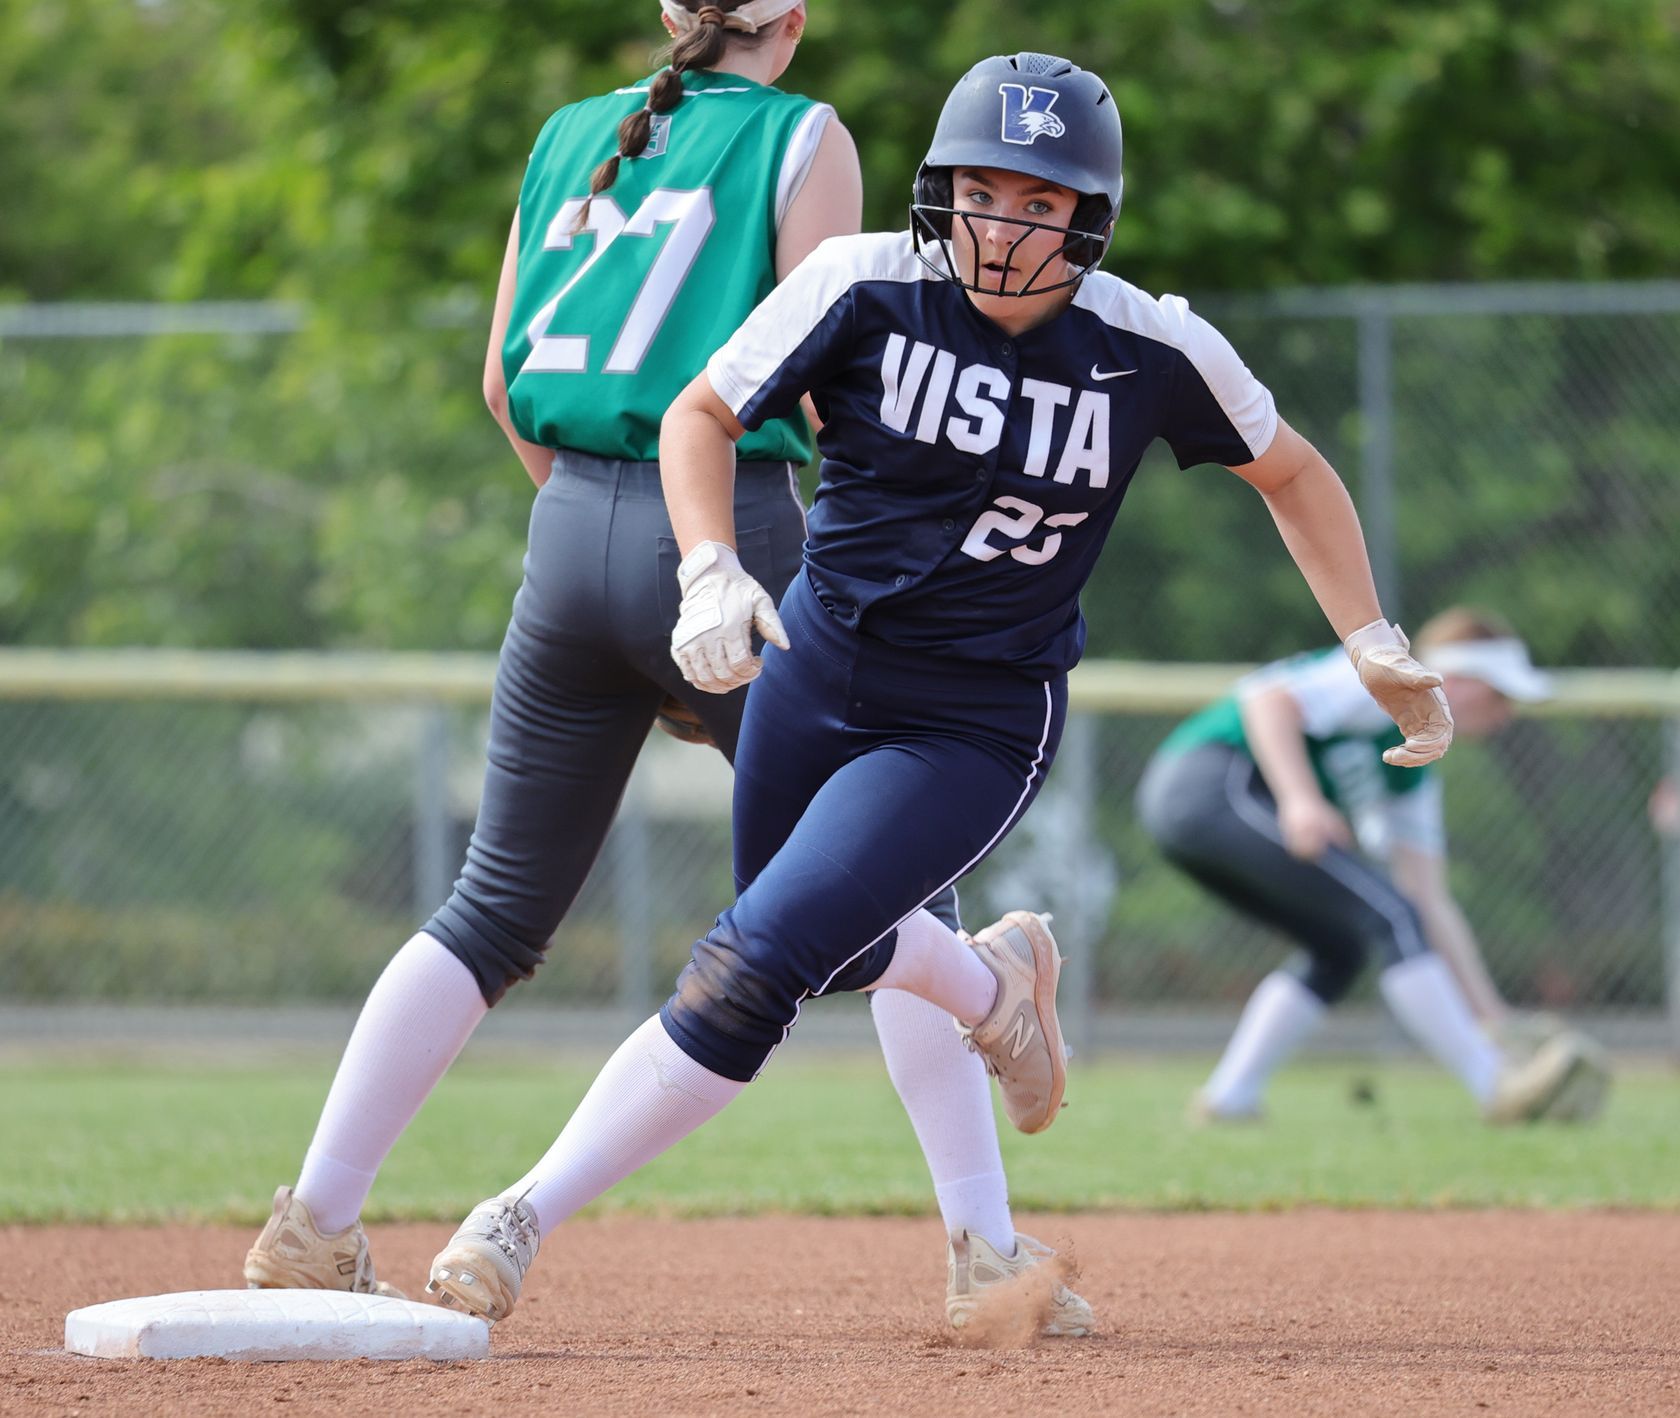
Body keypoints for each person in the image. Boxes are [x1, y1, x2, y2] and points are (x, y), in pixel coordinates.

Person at [422, 49, 1457, 1328]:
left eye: (1039, 200)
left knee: (753, 965)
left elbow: (1293, 472)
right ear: (938, 187)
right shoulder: (863, 284)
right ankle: (991, 1033)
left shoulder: (1147, 343)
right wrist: (707, 570)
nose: (1002, 223)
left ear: (1090, 217)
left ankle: (517, 1215)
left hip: (972, 716)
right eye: (981, 188)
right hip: (815, 672)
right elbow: (699, 413)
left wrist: (1369, 637)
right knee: (844, 948)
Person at [244, 3, 1091, 1339]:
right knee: (893, 874)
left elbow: (501, 380)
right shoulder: (802, 135)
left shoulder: (574, 132)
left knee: (490, 911)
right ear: (793, 22)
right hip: (736, 529)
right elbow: (825, 378)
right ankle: (987, 1210)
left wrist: (603, 533)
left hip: (567, 526)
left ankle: (316, 1217)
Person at [1137, 607, 1612, 1125]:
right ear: (1454, 677)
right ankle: (1494, 1086)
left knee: (1340, 948)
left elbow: (1429, 898)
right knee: (1388, 916)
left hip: (1206, 811)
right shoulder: (1395, 674)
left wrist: (1491, 1015)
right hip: (1206, 783)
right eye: (1499, 694)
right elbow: (1269, 702)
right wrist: (1300, 800)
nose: (1506, 714)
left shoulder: (1414, 766)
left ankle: (1230, 1099)